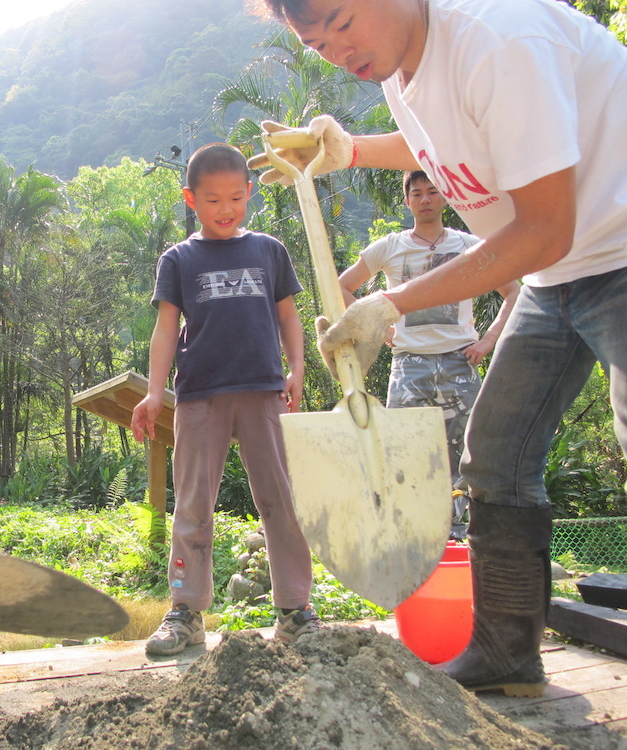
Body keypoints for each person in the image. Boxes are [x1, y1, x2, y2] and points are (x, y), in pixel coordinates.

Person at [256, 0, 627, 698]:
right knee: (496, 454)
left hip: (612, 251)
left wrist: (390, 304)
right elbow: (448, 147)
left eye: (342, 21)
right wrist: (352, 151)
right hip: (559, 273)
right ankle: (507, 653)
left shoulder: (496, 40)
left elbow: (545, 227)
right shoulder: (402, 64)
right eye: (317, 41)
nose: (339, 50)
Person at [130, 142, 317, 657]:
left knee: (281, 500)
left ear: (249, 193)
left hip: (264, 391)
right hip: (200, 398)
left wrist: (297, 368)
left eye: (236, 197)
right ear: (191, 199)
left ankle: (295, 612)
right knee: (192, 504)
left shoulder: (269, 251)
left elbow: (288, 317)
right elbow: (166, 330)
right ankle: (186, 613)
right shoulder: (179, 259)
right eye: (213, 200)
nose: (226, 209)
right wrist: (152, 392)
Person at [337, 170, 519, 539]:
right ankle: (414, 533)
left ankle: (468, 537)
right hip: (409, 364)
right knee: (404, 450)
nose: (425, 199)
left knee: (472, 454)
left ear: (445, 197)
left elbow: (514, 292)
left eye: (432, 191)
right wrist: (377, 327)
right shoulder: (390, 246)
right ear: (407, 201)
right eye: (417, 193)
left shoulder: (470, 244)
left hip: (459, 360)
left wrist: (487, 341)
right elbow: (342, 285)